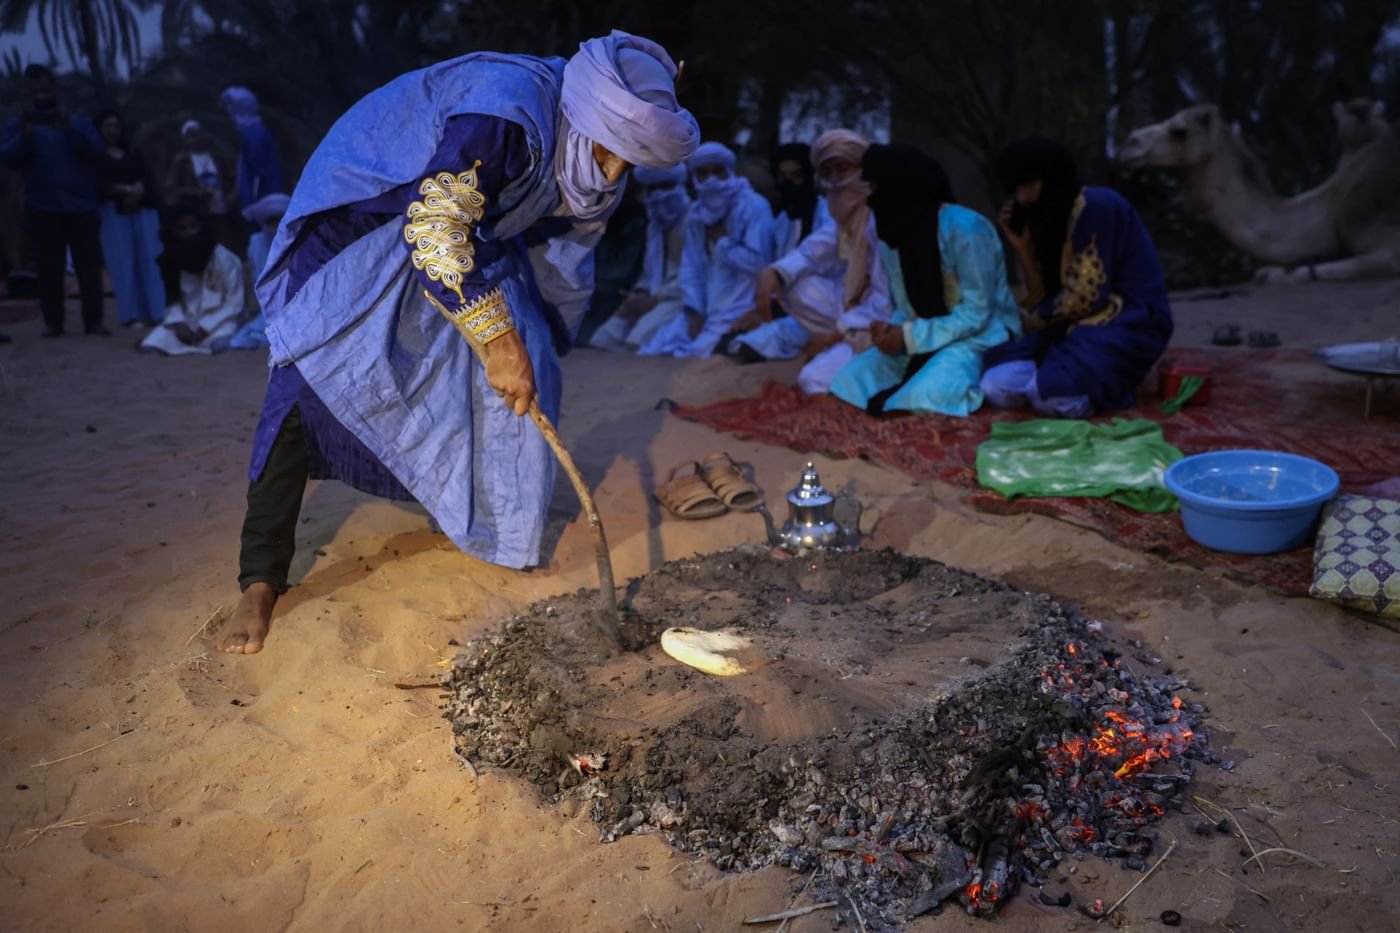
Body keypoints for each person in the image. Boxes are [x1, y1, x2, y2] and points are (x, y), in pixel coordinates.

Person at [221, 31, 697, 654]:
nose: (612, 173)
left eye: (629, 162)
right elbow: (436, 225)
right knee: (315, 373)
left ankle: (493, 530)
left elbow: (567, 256)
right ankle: (259, 579)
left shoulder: (601, 168)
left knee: (527, 368)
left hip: (476, 239)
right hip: (369, 225)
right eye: (610, 153)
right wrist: (499, 344)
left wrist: (538, 341)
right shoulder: (504, 113)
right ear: (588, 117)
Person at [979, 138, 1173, 417]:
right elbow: (1045, 297)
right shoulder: (1049, 218)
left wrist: (1035, 321)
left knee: (1050, 395)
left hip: (1125, 318)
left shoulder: (1098, 206)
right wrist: (1021, 247)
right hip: (1066, 325)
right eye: (1017, 190)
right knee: (995, 385)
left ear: (1051, 181)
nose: (1023, 199)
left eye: (1029, 187)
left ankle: (1106, 382)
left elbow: (1086, 297)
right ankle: (1070, 373)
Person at [830, 144, 1021, 415]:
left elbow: (977, 313)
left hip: (982, 335)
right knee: (847, 383)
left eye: (875, 188)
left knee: (924, 397)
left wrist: (908, 337)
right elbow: (907, 309)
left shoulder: (966, 228)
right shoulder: (894, 237)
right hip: (921, 335)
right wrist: (889, 332)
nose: (871, 199)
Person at [733, 129, 892, 394]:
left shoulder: (879, 220)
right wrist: (772, 272)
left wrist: (833, 337)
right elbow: (810, 252)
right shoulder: (843, 215)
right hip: (850, 311)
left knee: (814, 380)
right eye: (828, 172)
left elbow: (884, 302)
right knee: (790, 281)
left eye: (843, 168)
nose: (836, 180)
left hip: (883, 324)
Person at [637, 141, 773, 358]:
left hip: (742, 300)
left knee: (699, 352)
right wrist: (694, 308)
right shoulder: (697, 214)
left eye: (717, 172)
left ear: (729, 171)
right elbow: (690, 266)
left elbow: (760, 263)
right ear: (694, 178)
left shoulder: (753, 206)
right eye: (702, 173)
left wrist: (723, 244)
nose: (710, 180)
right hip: (706, 302)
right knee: (655, 346)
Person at [0, 64, 108, 337]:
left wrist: (71, 131)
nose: (41, 94)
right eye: (35, 90)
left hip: (82, 205)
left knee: (88, 267)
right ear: (29, 91)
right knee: (49, 269)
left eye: (45, 88)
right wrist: (25, 138)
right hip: (43, 206)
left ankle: (93, 322)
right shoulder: (19, 124)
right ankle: (54, 324)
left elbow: (97, 152)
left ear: (54, 87)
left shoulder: (78, 121)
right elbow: (8, 158)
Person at [587, 162, 690, 350]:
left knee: (637, 342)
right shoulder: (654, 226)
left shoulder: (693, 222)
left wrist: (656, 299)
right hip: (650, 299)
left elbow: (696, 277)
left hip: (678, 300)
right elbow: (649, 274)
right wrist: (639, 294)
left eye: (666, 186)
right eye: (653, 189)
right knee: (602, 339)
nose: (659, 194)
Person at [139, 207, 245, 355]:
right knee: (150, 346)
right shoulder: (169, 260)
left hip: (220, 320)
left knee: (221, 346)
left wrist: (205, 327)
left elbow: (234, 303)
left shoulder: (226, 259)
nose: (190, 232)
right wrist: (179, 323)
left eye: (193, 226)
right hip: (186, 323)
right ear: (173, 232)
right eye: (182, 229)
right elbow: (172, 300)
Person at [94, 110, 165, 327]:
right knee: (122, 263)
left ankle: (156, 311)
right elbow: (97, 183)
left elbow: (147, 176)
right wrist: (124, 192)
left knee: (150, 261)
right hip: (114, 213)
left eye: (116, 126)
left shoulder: (134, 151)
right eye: (107, 126)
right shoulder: (95, 154)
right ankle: (130, 314)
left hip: (143, 211)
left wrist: (138, 190)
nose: (112, 130)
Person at [220, 86, 285, 248]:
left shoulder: (254, 134)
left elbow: (258, 173)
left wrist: (254, 203)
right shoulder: (252, 131)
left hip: (263, 197)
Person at [228, 191, 292, 350]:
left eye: (280, 220)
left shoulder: (298, 241)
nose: (276, 226)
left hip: (296, 306)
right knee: (240, 340)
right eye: (271, 221)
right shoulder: (256, 242)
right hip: (267, 310)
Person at [165, 119, 236, 249]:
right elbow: (172, 187)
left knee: (224, 244)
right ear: (185, 139)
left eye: (198, 133)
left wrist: (231, 196)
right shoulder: (182, 160)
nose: (195, 138)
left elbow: (231, 180)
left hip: (221, 210)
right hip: (197, 212)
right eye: (191, 135)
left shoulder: (216, 157)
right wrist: (196, 192)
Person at [767, 141, 828, 258]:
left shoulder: (828, 217)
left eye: (796, 176)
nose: (788, 184)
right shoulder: (783, 220)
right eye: (783, 177)